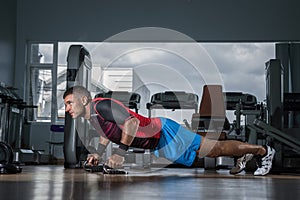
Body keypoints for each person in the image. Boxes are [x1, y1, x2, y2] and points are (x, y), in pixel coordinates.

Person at [63, 86, 276, 176]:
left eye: (70, 103)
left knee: (214, 150)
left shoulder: (101, 105)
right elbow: (107, 133)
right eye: (66, 105)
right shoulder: (92, 116)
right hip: (159, 141)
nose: (68, 108)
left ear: (84, 99)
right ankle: (245, 153)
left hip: (164, 132)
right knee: (210, 151)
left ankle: (263, 151)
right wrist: (98, 154)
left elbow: (131, 123)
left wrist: (120, 153)